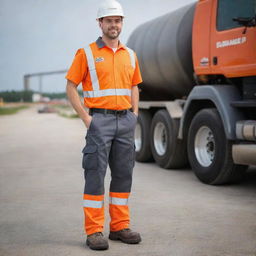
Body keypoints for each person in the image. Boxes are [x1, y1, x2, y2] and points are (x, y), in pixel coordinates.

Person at [65, 0, 143, 251]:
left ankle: (119, 227)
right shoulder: (86, 53)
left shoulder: (130, 54)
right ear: (100, 23)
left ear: (122, 23)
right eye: (109, 20)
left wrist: (135, 113)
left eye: (117, 20)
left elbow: (134, 85)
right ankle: (94, 231)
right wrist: (87, 119)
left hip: (125, 122)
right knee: (95, 175)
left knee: (123, 175)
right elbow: (70, 87)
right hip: (100, 121)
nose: (113, 24)